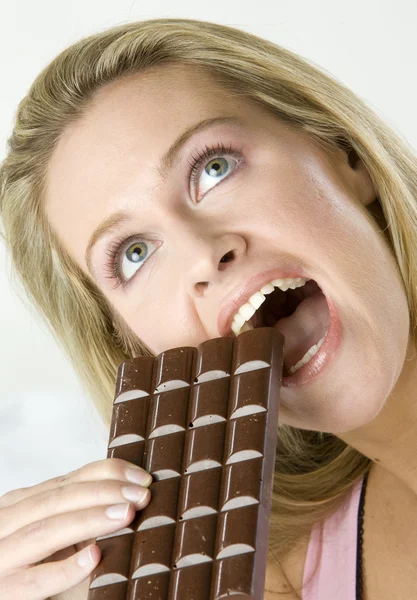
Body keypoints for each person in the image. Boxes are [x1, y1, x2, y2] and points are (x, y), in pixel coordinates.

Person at [0, 17, 416, 600]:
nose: (202, 255)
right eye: (135, 254)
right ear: (137, 345)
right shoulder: (276, 581)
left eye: (212, 168)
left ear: (345, 155)